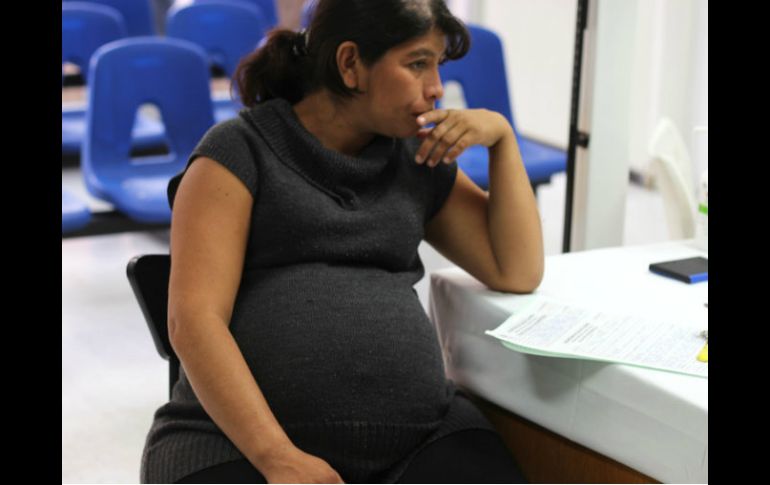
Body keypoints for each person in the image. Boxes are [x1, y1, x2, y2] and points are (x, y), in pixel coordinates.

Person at [139, 0, 544, 483]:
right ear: (350, 63)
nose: (437, 87)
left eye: (438, 65)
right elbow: (193, 322)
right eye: (418, 64)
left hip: (418, 443)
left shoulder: (417, 157)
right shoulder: (238, 151)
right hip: (237, 447)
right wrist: (276, 457)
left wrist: (503, 142)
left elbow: (516, 270)